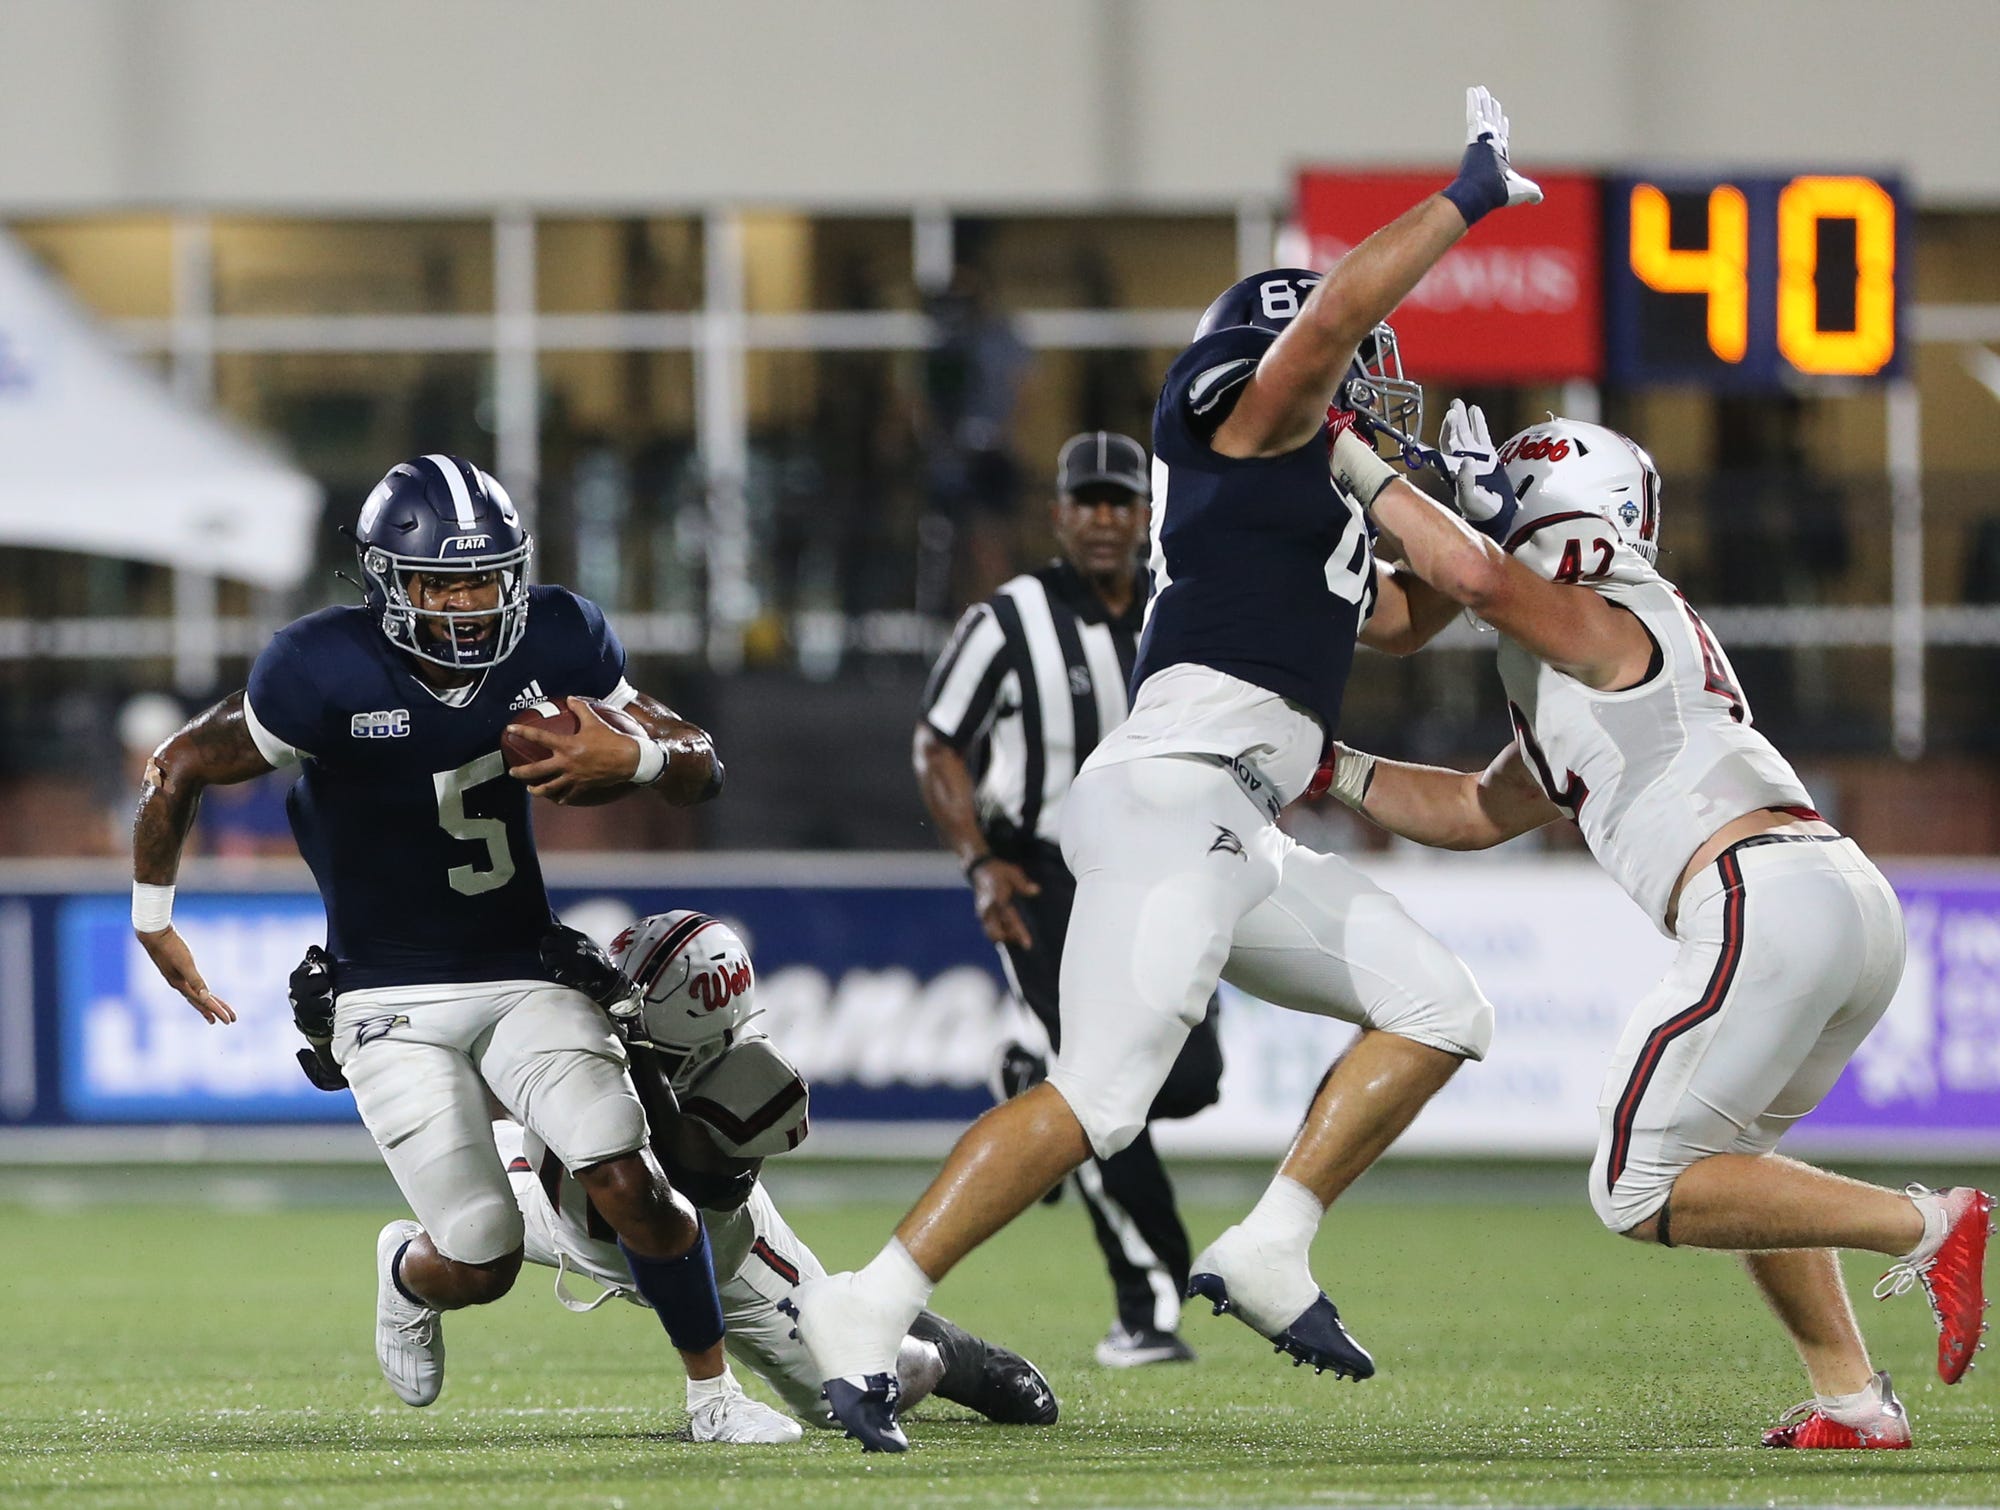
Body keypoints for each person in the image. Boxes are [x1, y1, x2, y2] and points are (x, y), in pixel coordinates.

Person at [793, 87, 1544, 1450]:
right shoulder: (1232, 421)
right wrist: (1465, 200)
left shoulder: (1309, 502)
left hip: (1241, 817)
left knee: (1443, 1005)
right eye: (1348, 366)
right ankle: (866, 1304)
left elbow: (1396, 617)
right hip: (1176, 790)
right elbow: (1329, 322)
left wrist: (1473, 517)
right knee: (1099, 1094)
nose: (1370, 386)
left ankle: (1272, 1242)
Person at [1319, 402, 1994, 1448]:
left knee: (1633, 1186)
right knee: (1737, 1161)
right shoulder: (1580, 651)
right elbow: (1470, 811)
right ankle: (1853, 1400)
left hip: (1763, 894)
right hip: (1826, 896)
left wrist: (1352, 459)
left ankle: (1930, 1223)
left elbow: (1477, 579)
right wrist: (1326, 763)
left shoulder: (1602, 599)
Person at [132, 453, 792, 1443]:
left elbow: (702, 762)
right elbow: (180, 761)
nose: (464, 605)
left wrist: (644, 753)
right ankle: (409, 1273)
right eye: (439, 583)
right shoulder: (320, 666)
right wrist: (153, 919)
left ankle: (714, 1399)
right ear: (384, 580)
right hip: (384, 993)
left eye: (482, 580)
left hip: (523, 966)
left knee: (630, 1181)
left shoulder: (561, 636)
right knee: (481, 1256)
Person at [292, 910, 1060, 1434]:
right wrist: (349, 1042)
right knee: (467, 1246)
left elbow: (687, 1184)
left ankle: (936, 1347)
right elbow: (469, 1072)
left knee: (849, 1395)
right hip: (558, 1201)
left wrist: (628, 1037)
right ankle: (403, 1269)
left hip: (724, 1259)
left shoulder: (760, 1081)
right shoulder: (590, 1017)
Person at [918, 428, 1223, 1367]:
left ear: (1147, 515)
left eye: (1119, 501)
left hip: (1160, 874)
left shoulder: (1182, 607)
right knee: (1103, 1082)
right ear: (1057, 514)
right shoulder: (1010, 619)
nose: (1102, 518)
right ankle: (1149, 1302)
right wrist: (979, 863)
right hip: (1043, 876)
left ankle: (1028, 1080)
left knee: (1192, 1078)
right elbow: (938, 744)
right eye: (1086, 501)